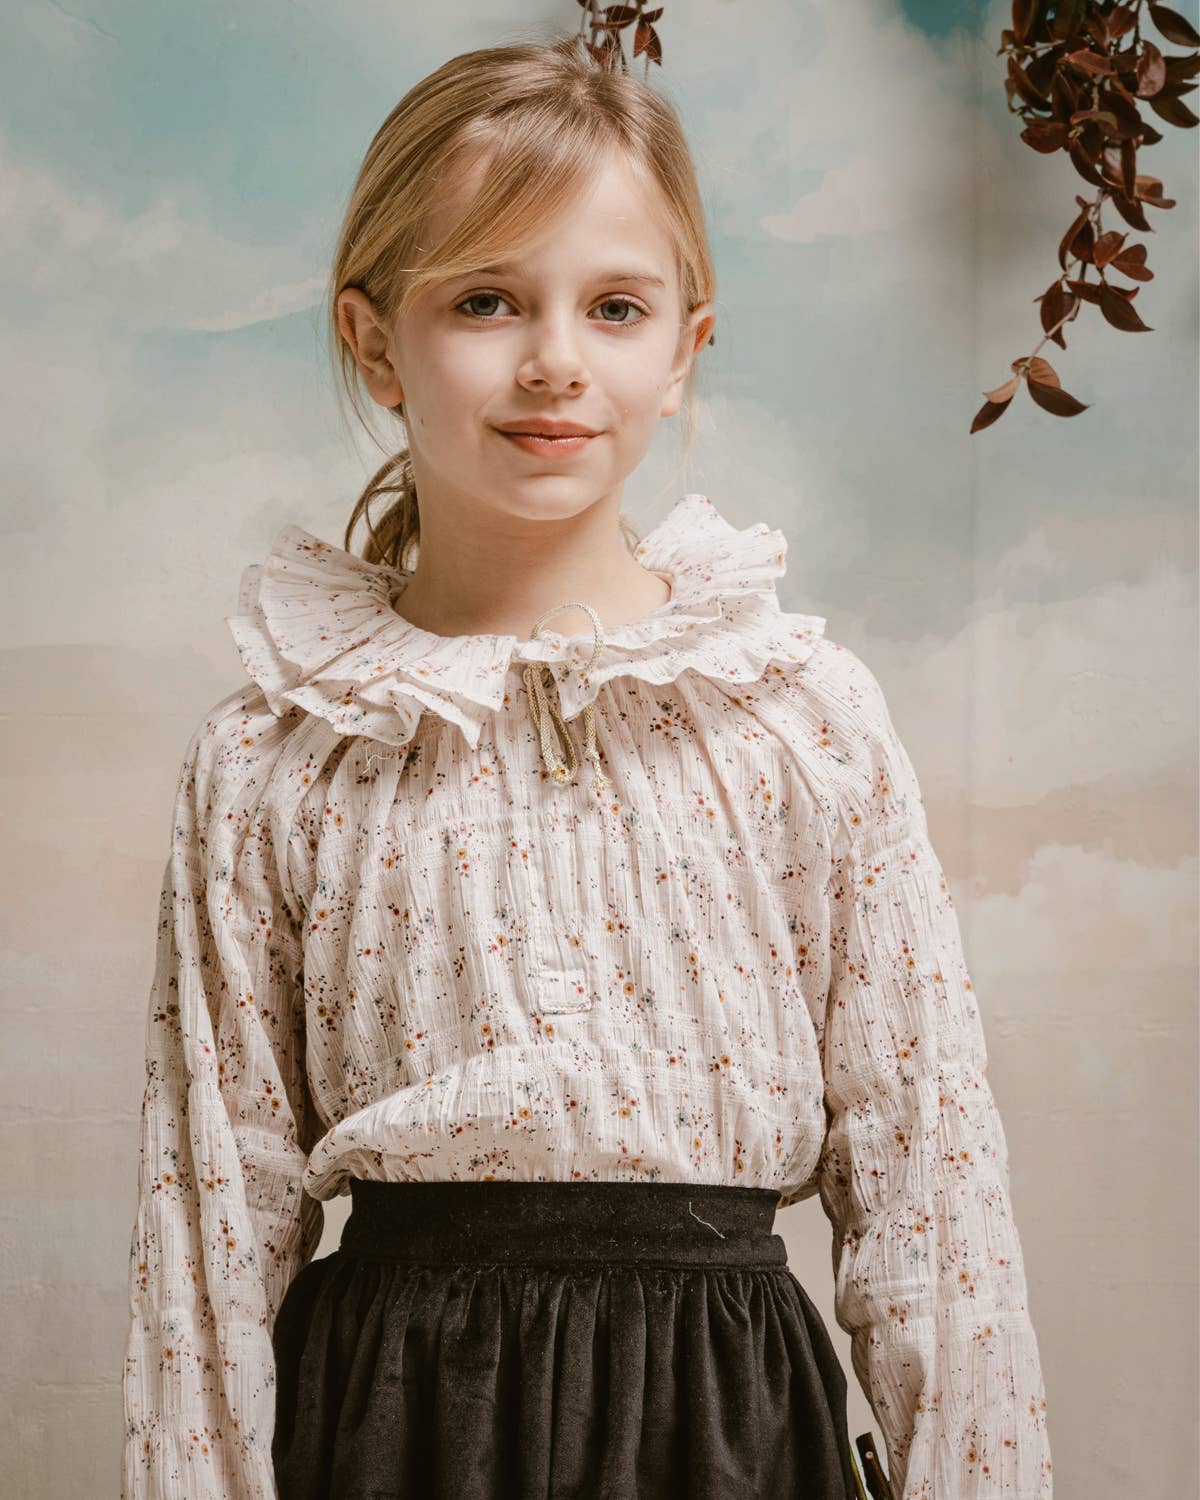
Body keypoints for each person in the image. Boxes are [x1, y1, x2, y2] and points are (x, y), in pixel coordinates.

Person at [120, 32, 1053, 1500]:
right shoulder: (272, 756)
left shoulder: (800, 720)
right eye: (486, 299)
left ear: (684, 348)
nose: (555, 357)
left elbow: (931, 1184)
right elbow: (207, 1226)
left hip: (729, 1423)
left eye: (615, 307)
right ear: (374, 340)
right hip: (400, 1427)